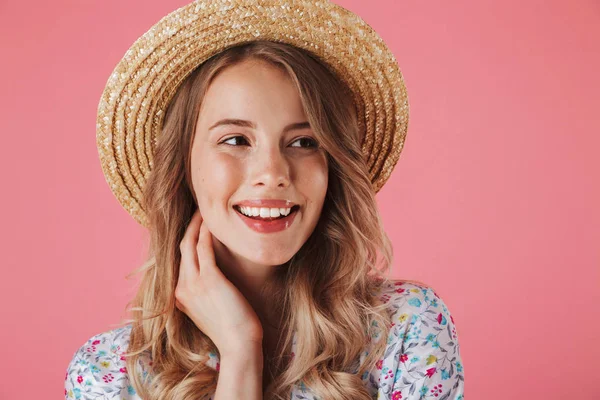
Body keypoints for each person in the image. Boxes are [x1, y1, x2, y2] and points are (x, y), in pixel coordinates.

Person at [65, 1, 465, 399]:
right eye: (236, 140)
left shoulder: (405, 330)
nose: (273, 173)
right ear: (183, 166)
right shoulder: (108, 375)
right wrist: (240, 350)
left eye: (304, 142)